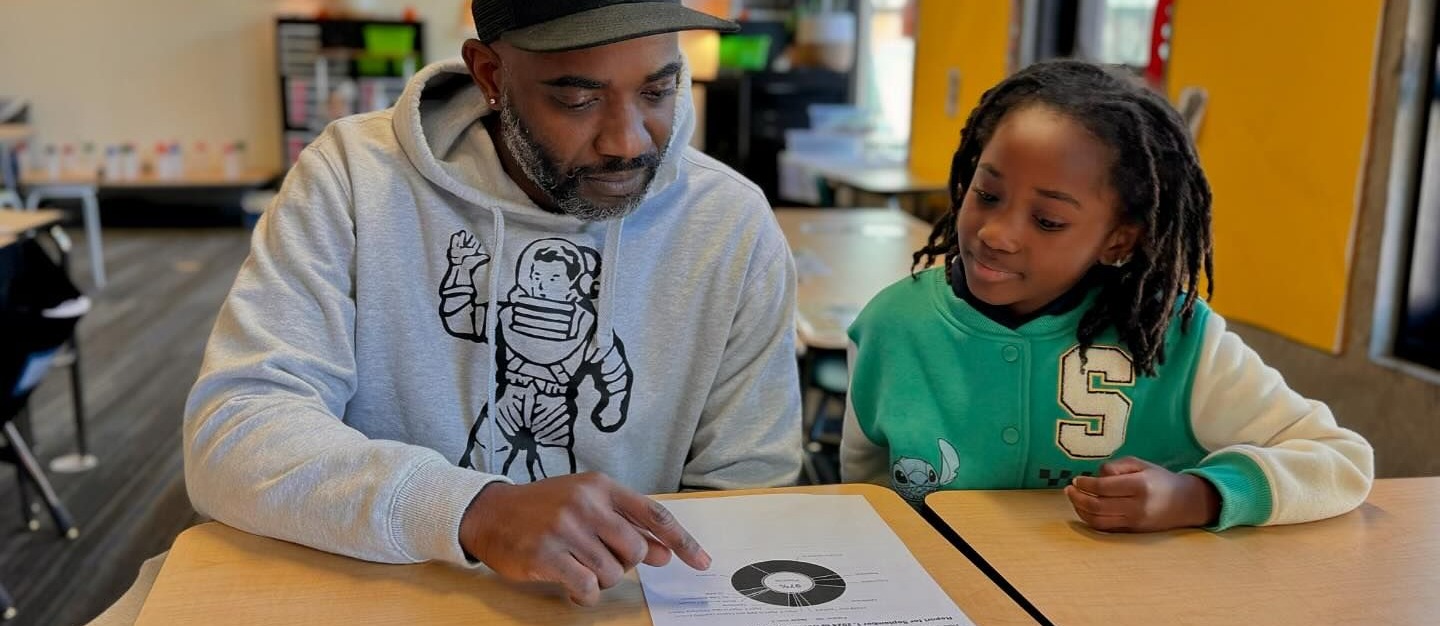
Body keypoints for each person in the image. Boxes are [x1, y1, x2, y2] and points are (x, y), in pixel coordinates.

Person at [184, 0, 801, 606]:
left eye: (658, 92)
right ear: (489, 75)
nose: (627, 141)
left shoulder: (732, 226)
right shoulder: (352, 180)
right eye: (579, 99)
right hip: (380, 599)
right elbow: (235, 431)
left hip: (619, 607)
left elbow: (748, 489)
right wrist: (472, 510)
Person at [840, 60, 1373, 532]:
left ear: (1118, 239)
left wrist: (1200, 495)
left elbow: (1340, 461)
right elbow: (863, 496)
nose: (996, 233)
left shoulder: (1176, 337)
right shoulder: (893, 325)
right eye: (986, 193)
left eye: (1048, 220)